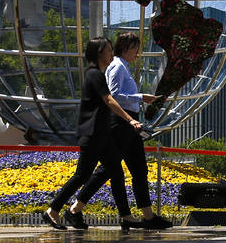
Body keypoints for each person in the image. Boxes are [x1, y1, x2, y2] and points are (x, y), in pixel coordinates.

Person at [42, 37, 145, 231]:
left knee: (116, 173)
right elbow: (109, 99)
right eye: (108, 50)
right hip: (92, 134)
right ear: (98, 53)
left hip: (102, 135)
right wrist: (129, 119)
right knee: (82, 175)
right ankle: (53, 210)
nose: (111, 54)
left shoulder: (99, 73)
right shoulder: (94, 75)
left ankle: (126, 215)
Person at [86, 32, 172, 231]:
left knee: (139, 170)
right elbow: (113, 95)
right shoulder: (117, 66)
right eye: (135, 48)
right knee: (107, 169)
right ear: (125, 48)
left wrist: (140, 100)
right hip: (122, 123)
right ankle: (76, 207)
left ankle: (148, 216)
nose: (137, 53)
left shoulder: (122, 67)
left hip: (131, 125)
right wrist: (141, 97)